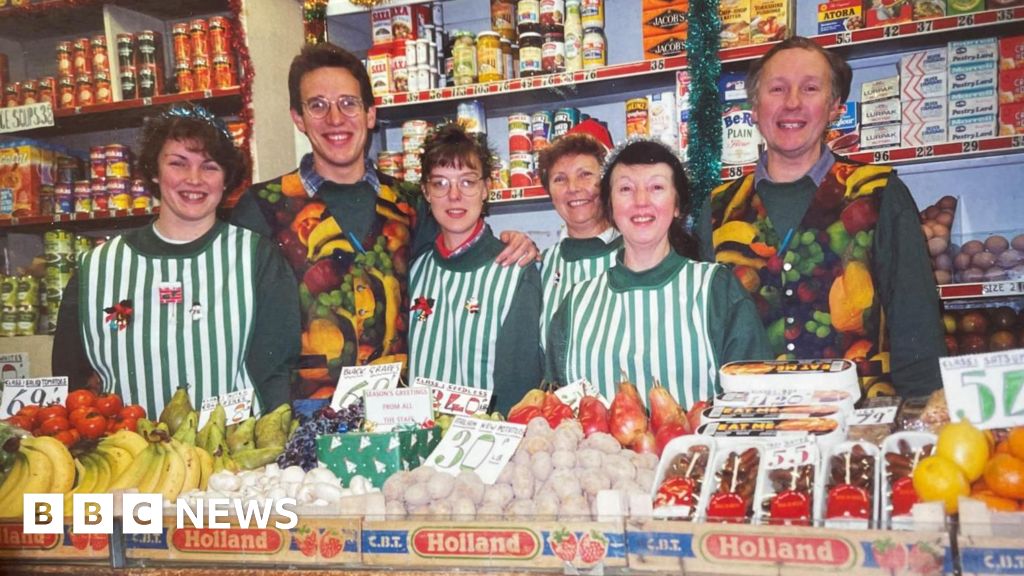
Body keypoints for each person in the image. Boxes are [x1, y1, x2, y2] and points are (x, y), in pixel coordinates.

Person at [230, 43, 537, 399]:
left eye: (348, 103)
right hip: (305, 426)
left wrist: (516, 243)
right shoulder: (263, 208)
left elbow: (461, 240)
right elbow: (248, 334)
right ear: (298, 118)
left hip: (398, 424)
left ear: (370, 114)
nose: (335, 119)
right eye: (318, 106)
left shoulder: (410, 204)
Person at [698, 36, 944, 398]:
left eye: (810, 88)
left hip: (862, 426)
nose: (792, 103)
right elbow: (706, 335)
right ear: (754, 106)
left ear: (834, 107)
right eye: (777, 88)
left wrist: (926, 416)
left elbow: (916, 318)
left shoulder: (878, 193)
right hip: (753, 427)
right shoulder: (718, 209)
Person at [53, 104, 300, 417]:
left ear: (226, 178)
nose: (193, 179)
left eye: (210, 166)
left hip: (233, 457)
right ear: (154, 172)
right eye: (178, 163)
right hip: (128, 457)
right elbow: (70, 383)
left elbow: (275, 374)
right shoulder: (97, 267)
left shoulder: (257, 258)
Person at [547, 139, 770, 408]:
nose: (641, 201)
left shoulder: (716, 289)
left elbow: (756, 399)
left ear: (677, 206)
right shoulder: (576, 304)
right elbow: (557, 409)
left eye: (656, 188)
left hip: (700, 450)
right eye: (626, 189)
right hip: (597, 451)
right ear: (610, 206)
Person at [407, 124, 542, 414]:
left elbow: (519, 391)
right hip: (416, 448)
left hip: (490, 448)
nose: (454, 196)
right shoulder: (414, 271)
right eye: (440, 183)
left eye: (467, 182)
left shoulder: (516, 270)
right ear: (426, 193)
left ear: (486, 189)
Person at [536, 121, 622, 352]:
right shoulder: (538, 266)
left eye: (585, 174)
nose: (573, 188)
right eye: (560, 179)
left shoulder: (637, 254)